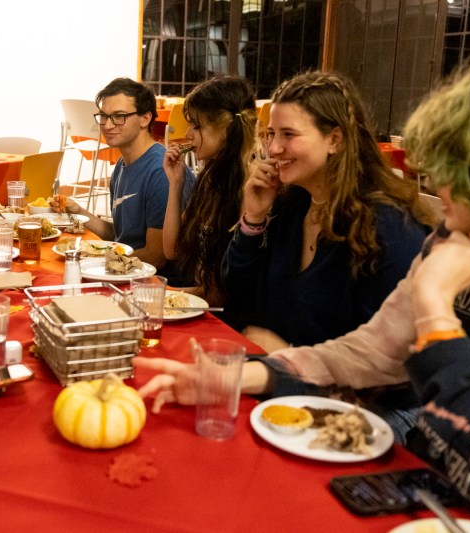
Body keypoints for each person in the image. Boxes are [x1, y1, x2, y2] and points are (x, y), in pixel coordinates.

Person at [136, 63, 470, 511]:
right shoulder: (449, 240)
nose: (439, 187)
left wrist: (436, 308)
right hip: (430, 474)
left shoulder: (394, 230)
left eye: (460, 170)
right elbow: (373, 350)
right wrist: (238, 377)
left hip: (405, 436)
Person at [222, 70, 436, 351]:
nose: (273, 148)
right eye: (270, 134)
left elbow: (388, 355)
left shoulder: (388, 225)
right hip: (276, 382)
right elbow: (236, 298)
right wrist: (253, 219)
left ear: (335, 139)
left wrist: (287, 357)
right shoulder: (290, 204)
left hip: (335, 392)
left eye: (289, 134)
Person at [52, 77, 193, 272]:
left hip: (155, 283)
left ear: (145, 118)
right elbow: (121, 236)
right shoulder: (121, 165)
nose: (108, 125)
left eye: (119, 116)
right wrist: (78, 212)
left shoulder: (162, 171)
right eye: (103, 116)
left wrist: (95, 259)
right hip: (125, 272)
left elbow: (156, 256)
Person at [162, 76, 257, 304]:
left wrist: (160, 296)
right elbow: (172, 250)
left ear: (225, 129)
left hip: (224, 316)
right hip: (199, 299)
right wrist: (176, 184)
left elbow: (221, 294)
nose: (187, 135)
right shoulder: (211, 175)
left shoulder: (249, 186)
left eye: (196, 126)